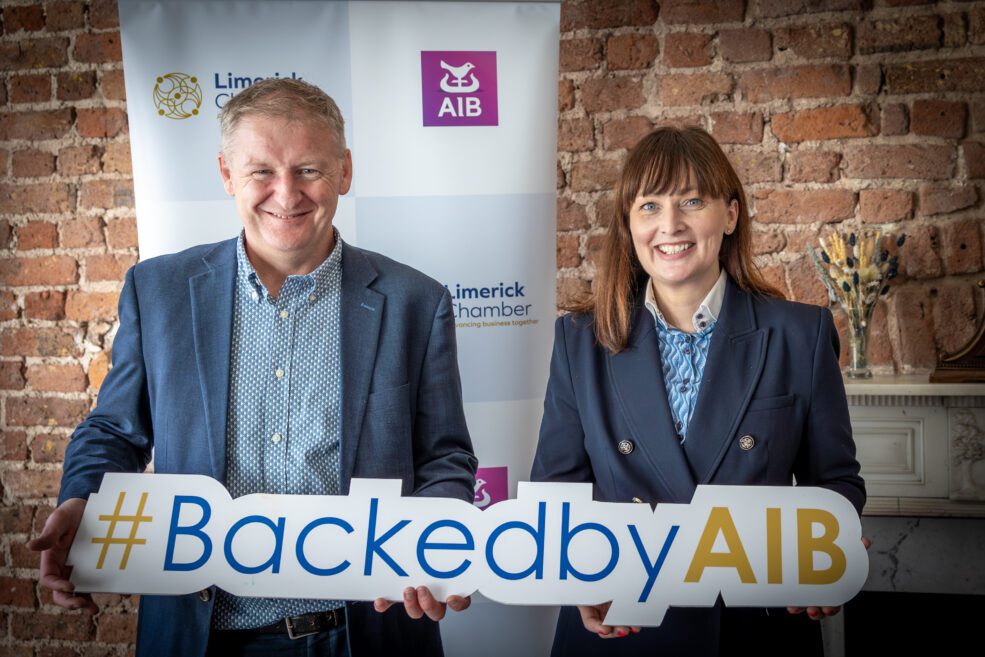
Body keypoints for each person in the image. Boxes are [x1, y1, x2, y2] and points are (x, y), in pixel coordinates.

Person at [28, 78, 477, 657]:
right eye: (261, 170)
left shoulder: (416, 300)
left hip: (365, 633)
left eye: (309, 169)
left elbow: (444, 456)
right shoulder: (159, 290)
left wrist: (434, 533)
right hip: (202, 635)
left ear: (344, 171)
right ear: (226, 174)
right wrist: (81, 497)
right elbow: (115, 430)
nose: (286, 194)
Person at [531, 126, 866, 657]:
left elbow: (835, 483)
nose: (670, 226)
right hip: (622, 629)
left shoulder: (800, 335)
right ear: (628, 224)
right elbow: (556, 490)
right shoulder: (579, 341)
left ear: (730, 214)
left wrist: (828, 551)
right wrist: (578, 578)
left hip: (753, 631)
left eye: (692, 200)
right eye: (649, 207)